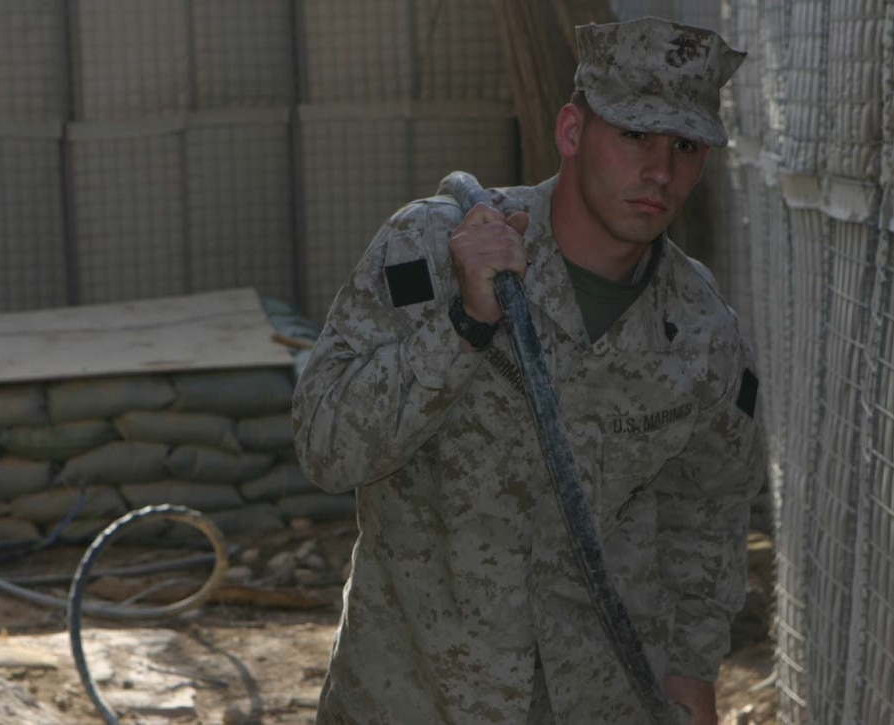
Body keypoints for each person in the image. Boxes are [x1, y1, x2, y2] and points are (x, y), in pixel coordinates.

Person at [292, 16, 765, 725]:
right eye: (635, 135)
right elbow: (325, 445)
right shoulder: (432, 247)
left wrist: (693, 668)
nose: (660, 171)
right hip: (413, 698)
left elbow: (710, 511)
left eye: (686, 146)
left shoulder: (703, 334)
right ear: (572, 131)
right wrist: (464, 328)